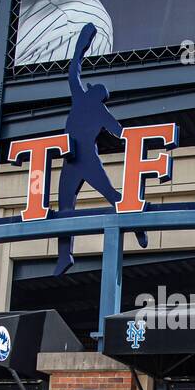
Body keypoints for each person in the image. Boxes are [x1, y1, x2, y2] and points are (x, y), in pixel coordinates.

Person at [53, 22, 147, 275]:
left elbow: (123, 134)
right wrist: (82, 45)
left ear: (97, 94)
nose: (92, 88)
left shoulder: (99, 110)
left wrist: (82, 46)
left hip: (87, 160)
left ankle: (138, 224)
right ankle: (64, 256)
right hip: (72, 160)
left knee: (112, 196)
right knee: (65, 209)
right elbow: (73, 72)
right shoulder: (82, 100)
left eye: (96, 89)